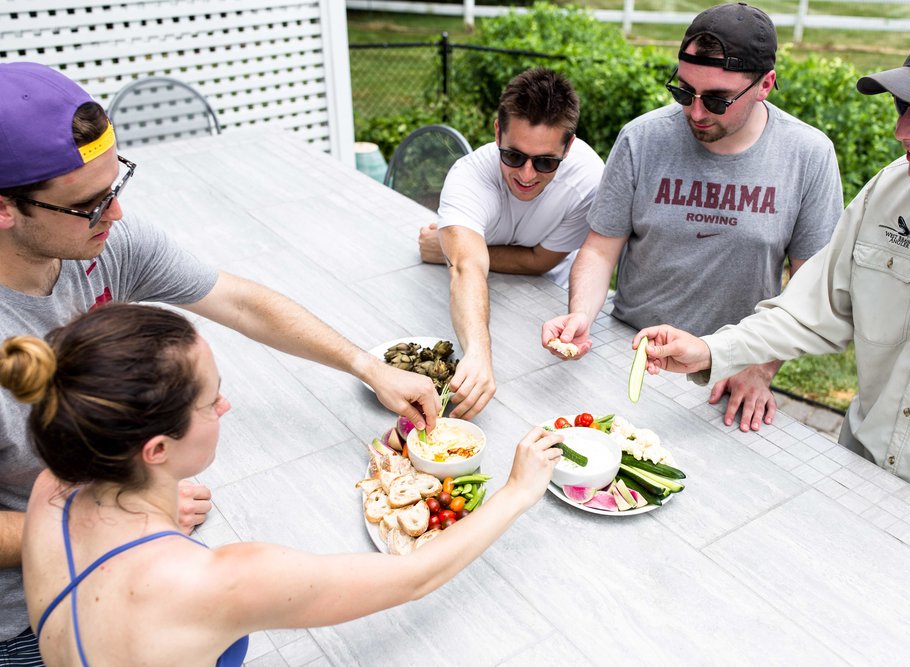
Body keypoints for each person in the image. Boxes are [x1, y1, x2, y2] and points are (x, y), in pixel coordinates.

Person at [0, 61, 440, 663]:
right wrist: (117, 515)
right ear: (5, 208)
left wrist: (367, 365)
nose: (117, 215)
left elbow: (240, 301)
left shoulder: (99, 240)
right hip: (24, 618)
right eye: (88, 205)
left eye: (116, 186)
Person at [0, 303, 562, 666]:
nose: (226, 404)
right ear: (155, 449)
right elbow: (415, 576)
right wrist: (516, 491)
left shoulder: (52, 494)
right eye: (210, 400)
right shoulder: (216, 580)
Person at [633, 6, 910, 533]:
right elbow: (813, 307)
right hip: (856, 473)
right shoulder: (892, 190)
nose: (901, 128)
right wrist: (711, 350)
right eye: (901, 103)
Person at [541, 2, 843, 432]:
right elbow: (599, 249)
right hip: (632, 348)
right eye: (684, 92)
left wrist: (759, 367)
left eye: (718, 99)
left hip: (729, 373)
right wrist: (580, 317)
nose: (696, 113)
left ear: (766, 85)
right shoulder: (642, 139)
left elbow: (810, 288)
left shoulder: (808, 155)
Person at [418, 67, 604, 420]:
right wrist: (478, 352)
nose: (527, 174)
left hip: (552, 304)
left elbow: (539, 261)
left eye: (546, 161)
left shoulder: (589, 181)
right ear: (497, 132)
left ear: (570, 146)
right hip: (484, 301)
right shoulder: (468, 176)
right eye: (513, 156)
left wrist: (444, 249)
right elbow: (467, 267)